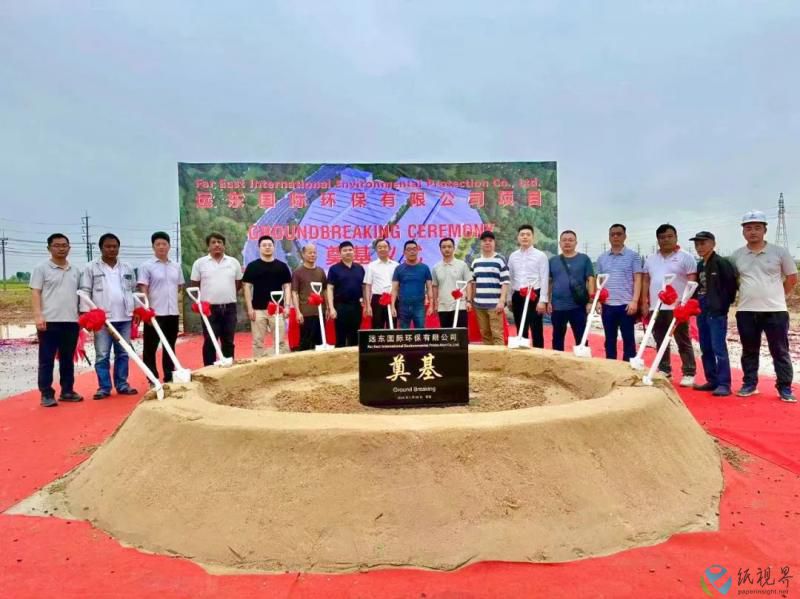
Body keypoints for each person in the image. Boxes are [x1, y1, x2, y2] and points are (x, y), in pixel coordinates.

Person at [732, 210, 798, 402]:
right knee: (749, 350)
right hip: (746, 310)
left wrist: (777, 296)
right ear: (743, 231)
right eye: (748, 228)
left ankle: (784, 387)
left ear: (765, 230)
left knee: (780, 350)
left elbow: (792, 278)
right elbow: (734, 280)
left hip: (775, 311)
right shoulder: (737, 255)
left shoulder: (779, 252)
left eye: (757, 227)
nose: (753, 232)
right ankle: (749, 384)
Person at [80, 233, 138, 399]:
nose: (112, 249)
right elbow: (85, 291)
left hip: (125, 318)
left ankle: (122, 384)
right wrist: (86, 315)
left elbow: (133, 290)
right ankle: (104, 388)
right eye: (108, 246)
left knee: (123, 353)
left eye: (115, 246)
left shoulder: (127, 267)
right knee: (102, 354)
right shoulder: (91, 268)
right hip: (102, 320)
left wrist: (136, 311)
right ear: (101, 248)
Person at [30, 233, 82, 407]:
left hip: (71, 321)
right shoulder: (41, 268)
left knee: (67, 358)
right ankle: (46, 393)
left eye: (64, 245)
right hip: (49, 321)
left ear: (69, 248)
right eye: (57, 245)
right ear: (49, 248)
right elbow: (35, 292)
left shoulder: (75, 270)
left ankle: (67, 391)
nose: (61, 249)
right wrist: (38, 315)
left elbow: (80, 295)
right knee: (47, 359)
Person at [642, 224, 698, 386]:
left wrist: (685, 303)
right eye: (662, 237)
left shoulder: (686, 257)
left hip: (677, 308)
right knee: (660, 340)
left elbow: (692, 281)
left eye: (669, 236)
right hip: (656, 306)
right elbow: (646, 281)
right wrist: (644, 301)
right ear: (657, 240)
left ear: (676, 237)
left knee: (683, 340)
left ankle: (689, 372)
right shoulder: (651, 259)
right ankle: (664, 369)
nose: (666, 240)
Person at [690, 231, 738, 397]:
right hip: (702, 308)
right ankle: (712, 380)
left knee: (718, 348)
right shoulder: (700, 265)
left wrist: (722, 305)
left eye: (703, 243)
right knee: (705, 346)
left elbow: (731, 286)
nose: (699, 247)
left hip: (716, 310)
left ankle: (724, 383)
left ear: (713, 244)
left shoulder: (721, 263)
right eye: (697, 244)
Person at [189, 232, 243, 366]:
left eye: (220, 242)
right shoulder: (200, 263)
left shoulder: (233, 262)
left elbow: (238, 284)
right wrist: (202, 302)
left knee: (228, 341)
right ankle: (209, 370)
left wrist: (225, 294)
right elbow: (195, 285)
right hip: (209, 309)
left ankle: (229, 369)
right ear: (208, 246)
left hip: (229, 308)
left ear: (224, 245)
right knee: (210, 341)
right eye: (213, 242)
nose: (217, 245)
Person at [137, 231, 184, 384]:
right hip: (155, 314)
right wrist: (146, 309)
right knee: (150, 347)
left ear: (169, 246)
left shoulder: (176, 266)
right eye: (158, 244)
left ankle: (169, 375)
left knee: (170, 346)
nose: (161, 247)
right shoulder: (146, 266)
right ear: (153, 247)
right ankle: (152, 378)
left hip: (172, 313)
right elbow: (143, 288)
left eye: (164, 244)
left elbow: (179, 287)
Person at [596, 224, 643, 361]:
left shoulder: (633, 256)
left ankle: (628, 367)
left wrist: (635, 301)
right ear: (609, 237)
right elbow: (599, 281)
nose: (615, 237)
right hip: (607, 306)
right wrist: (598, 301)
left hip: (626, 305)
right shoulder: (602, 258)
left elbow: (638, 279)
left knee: (628, 339)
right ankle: (611, 366)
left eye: (619, 234)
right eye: (612, 234)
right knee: (609, 340)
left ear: (625, 236)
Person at [242, 235, 292, 358]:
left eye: (270, 245)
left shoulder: (282, 266)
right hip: (258, 310)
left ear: (274, 247)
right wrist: (250, 309)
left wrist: (287, 306)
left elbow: (287, 286)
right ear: (259, 248)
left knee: (280, 341)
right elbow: (247, 287)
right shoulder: (252, 266)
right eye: (264, 245)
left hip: (277, 310)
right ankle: (258, 365)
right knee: (257, 342)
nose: (267, 247)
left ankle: (280, 363)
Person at [548, 230, 595, 351]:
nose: (567, 242)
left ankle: (583, 360)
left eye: (570, 240)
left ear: (576, 242)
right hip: (558, 306)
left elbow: (590, 279)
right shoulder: (553, 261)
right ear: (560, 243)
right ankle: (557, 360)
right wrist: (548, 301)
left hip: (578, 306)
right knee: (557, 338)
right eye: (564, 240)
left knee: (581, 338)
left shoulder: (584, 259)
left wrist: (591, 301)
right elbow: (549, 282)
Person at [507, 224, 549, 347]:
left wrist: (543, 301)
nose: (525, 237)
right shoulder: (513, 256)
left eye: (528, 235)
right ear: (518, 237)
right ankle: (522, 353)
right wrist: (509, 297)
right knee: (520, 327)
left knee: (536, 327)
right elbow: (510, 277)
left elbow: (544, 278)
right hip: (517, 295)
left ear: (533, 237)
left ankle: (539, 353)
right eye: (522, 235)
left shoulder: (540, 256)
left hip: (534, 295)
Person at [470, 231, 510, 345]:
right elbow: (473, 283)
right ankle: (489, 357)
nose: (487, 243)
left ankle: (499, 357)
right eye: (484, 241)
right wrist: (472, 300)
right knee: (485, 334)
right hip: (479, 305)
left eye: (490, 240)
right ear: (481, 243)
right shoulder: (475, 262)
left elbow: (505, 282)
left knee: (497, 334)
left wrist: (501, 301)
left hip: (495, 305)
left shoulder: (500, 260)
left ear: (494, 243)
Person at [327, 241, 366, 347]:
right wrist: (331, 308)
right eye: (345, 250)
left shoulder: (359, 268)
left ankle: (353, 356)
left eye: (350, 250)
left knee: (355, 335)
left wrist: (366, 304)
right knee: (341, 336)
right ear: (340, 253)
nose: (348, 252)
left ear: (354, 251)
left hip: (356, 306)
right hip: (341, 307)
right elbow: (330, 288)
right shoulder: (334, 269)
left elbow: (364, 287)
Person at [292, 244, 327, 350]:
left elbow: (325, 290)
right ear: (303, 254)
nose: (312, 255)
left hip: (320, 312)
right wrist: (298, 312)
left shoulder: (320, 271)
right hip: (306, 313)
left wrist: (328, 308)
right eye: (310, 253)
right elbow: (294, 293)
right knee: (306, 343)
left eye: (314, 253)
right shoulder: (297, 272)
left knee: (320, 342)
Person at [391, 240, 433, 329]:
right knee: (404, 333)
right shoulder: (399, 269)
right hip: (403, 306)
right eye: (409, 249)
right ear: (404, 252)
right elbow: (394, 289)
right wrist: (392, 306)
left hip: (419, 306)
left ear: (417, 251)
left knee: (420, 331)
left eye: (414, 249)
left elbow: (429, 288)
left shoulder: (425, 268)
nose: (412, 251)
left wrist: (431, 305)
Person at [432, 237, 472, 328]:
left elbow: (468, 283)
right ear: (440, 249)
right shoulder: (436, 268)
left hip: (460, 305)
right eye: (444, 247)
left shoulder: (462, 265)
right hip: (443, 307)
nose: (447, 249)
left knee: (460, 333)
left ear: (454, 248)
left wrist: (469, 301)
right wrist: (435, 303)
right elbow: (435, 286)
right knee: (446, 334)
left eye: (449, 247)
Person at [363, 239, 398, 329]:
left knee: (392, 326)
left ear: (389, 248)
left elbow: (399, 285)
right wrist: (368, 305)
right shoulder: (371, 266)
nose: (382, 249)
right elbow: (368, 286)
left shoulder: (396, 265)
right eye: (379, 247)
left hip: (392, 298)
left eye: (385, 247)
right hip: (377, 299)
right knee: (377, 327)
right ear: (376, 249)